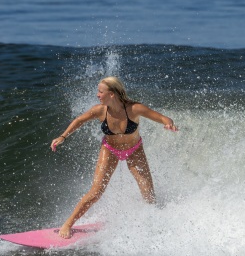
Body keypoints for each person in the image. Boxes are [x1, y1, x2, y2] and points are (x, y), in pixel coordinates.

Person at [50, 76, 178, 238]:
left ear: (112, 94)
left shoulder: (134, 109)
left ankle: (154, 223)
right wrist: (63, 136)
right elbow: (79, 120)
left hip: (134, 150)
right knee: (96, 192)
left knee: (148, 193)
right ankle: (68, 224)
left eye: (100, 92)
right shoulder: (100, 111)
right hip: (110, 150)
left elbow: (161, 117)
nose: (97, 94)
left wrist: (169, 124)